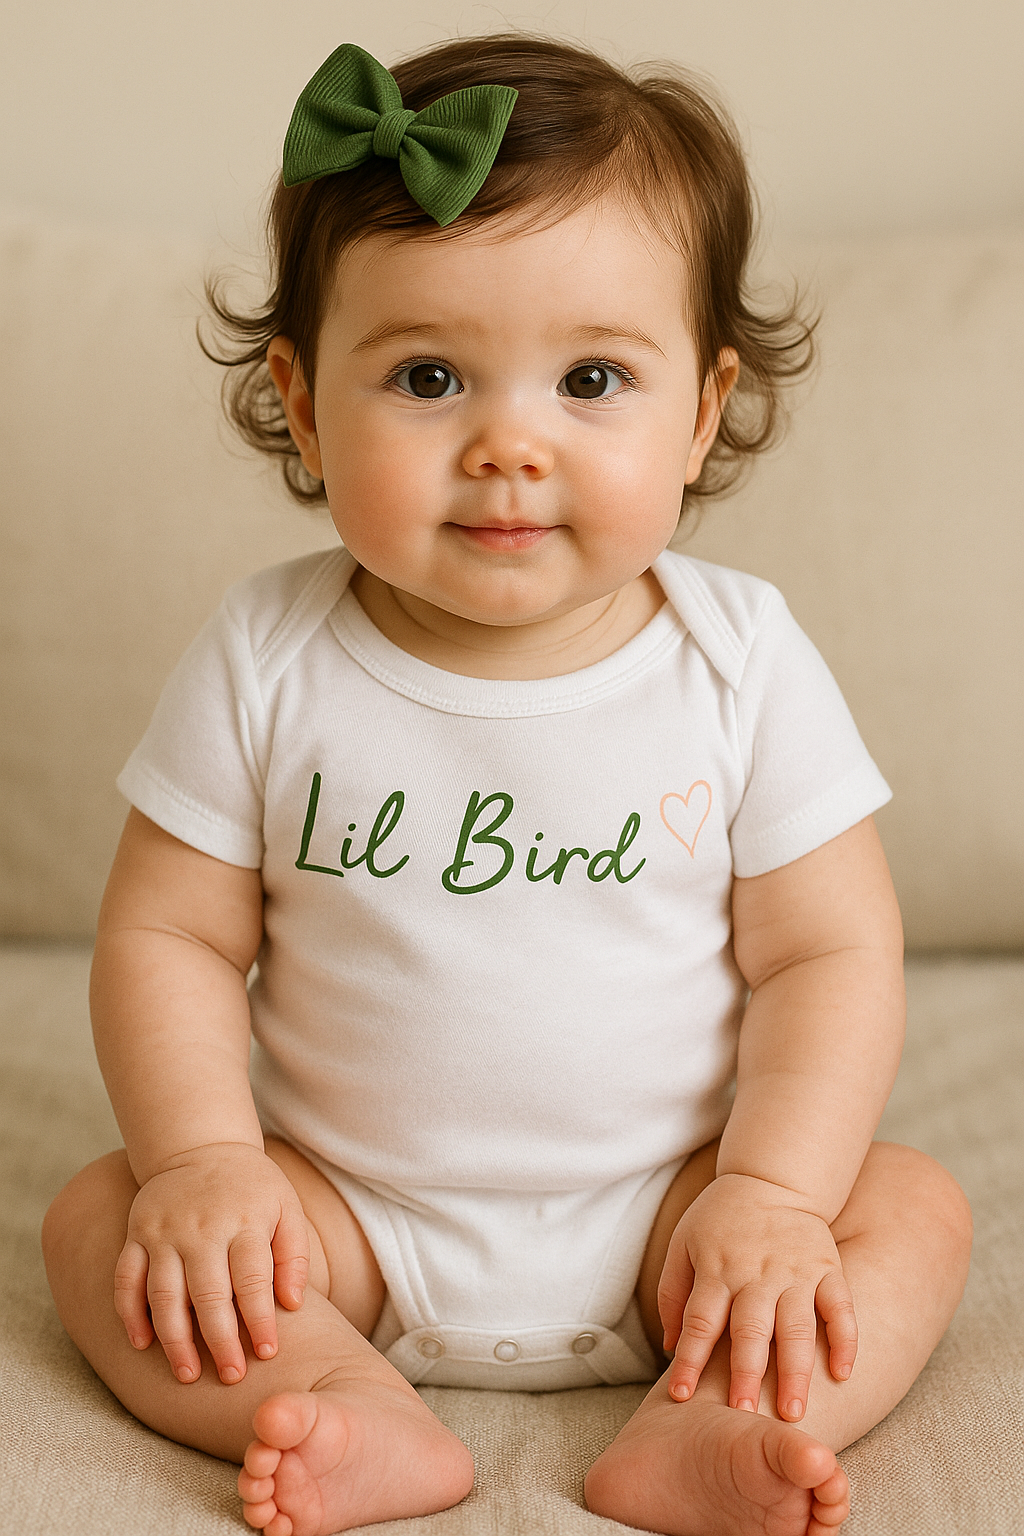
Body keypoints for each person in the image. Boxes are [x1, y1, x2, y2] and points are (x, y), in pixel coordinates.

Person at [42, 34, 972, 1536]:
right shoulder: (267, 654)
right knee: (103, 1217)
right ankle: (336, 1396)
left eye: (592, 378)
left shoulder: (740, 658)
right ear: (302, 400)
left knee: (913, 1209)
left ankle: (714, 1420)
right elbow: (170, 935)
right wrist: (205, 1163)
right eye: (428, 377)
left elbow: (828, 952)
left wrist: (776, 1195)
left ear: (701, 411)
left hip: (680, 1218)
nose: (509, 447)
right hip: (341, 1221)